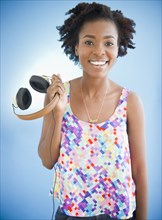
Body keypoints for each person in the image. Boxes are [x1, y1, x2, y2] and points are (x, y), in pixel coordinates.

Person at [38, 2, 148, 220]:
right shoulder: (58, 95)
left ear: (119, 47)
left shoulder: (130, 102)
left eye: (109, 42)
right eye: (89, 42)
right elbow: (47, 160)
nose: (99, 51)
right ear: (76, 46)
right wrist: (58, 112)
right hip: (71, 215)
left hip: (119, 214)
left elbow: (139, 172)